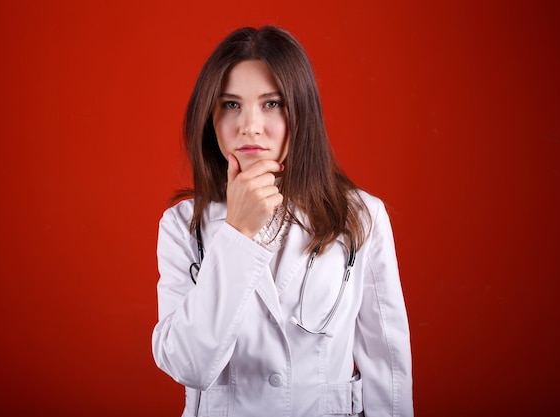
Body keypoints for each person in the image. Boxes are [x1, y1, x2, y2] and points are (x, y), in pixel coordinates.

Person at [152, 25, 413, 417]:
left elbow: (387, 368)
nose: (250, 126)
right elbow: (189, 364)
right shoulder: (182, 226)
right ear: (209, 116)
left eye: (271, 103)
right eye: (231, 104)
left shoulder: (360, 216)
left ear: (301, 112)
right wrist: (237, 234)